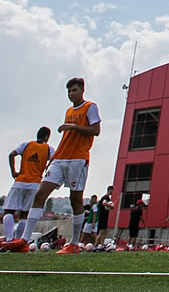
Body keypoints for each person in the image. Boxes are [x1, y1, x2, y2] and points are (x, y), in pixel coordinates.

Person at [1, 78, 101, 254]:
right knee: (40, 194)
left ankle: (74, 243)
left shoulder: (90, 107)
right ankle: (24, 240)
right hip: (60, 158)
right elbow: (67, 138)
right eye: (69, 91)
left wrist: (73, 126)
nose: (71, 94)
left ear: (82, 90)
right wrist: (54, 158)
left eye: (74, 90)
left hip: (78, 159)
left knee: (75, 199)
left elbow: (96, 130)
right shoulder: (69, 110)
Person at [3, 127, 54, 245]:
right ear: (47, 137)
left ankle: (9, 239)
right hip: (35, 183)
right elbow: (55, 159)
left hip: (20, 181)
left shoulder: (26, 145)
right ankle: (18, 241)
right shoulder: (48, 149)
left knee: (8, 211)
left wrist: (13, 172)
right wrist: (47, 169)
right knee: (25, 214)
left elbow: (11, 154)